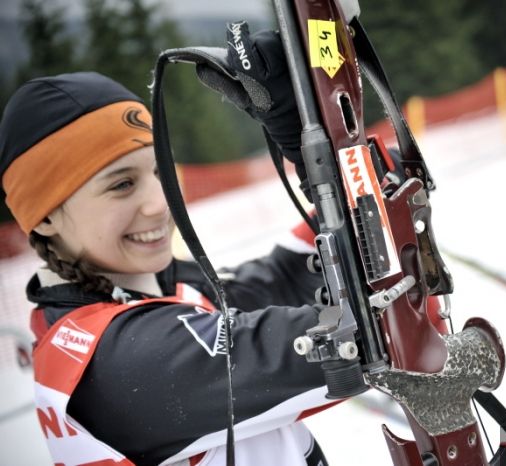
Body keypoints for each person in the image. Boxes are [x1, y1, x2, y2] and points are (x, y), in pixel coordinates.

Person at [0, 31, 335, 466]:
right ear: (44, 216)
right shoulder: (117, 361)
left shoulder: (149, 289)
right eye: (122, 184)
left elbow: (284, 278)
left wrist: (322, 156)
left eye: (160, 172)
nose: (160, 204)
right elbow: (362, 336)